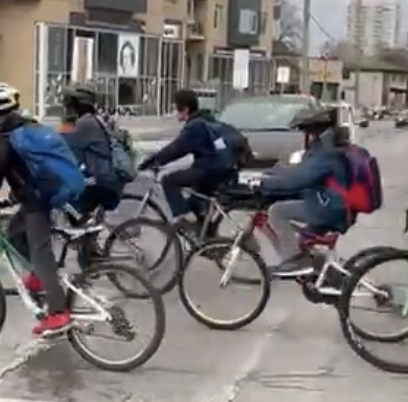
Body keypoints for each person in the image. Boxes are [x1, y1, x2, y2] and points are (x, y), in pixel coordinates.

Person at [0, 82, 72, 339]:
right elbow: (23, 168)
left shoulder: (2, 137)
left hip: (37, 200)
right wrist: (13, 197)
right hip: (42, 192)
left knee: (41, 253)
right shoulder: (25, 126)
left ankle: (58, 313)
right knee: (14, 233)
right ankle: (39, 278)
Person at [260, 107, 354, 278]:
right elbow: (300, 171)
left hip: (330, 207)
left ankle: (294, 261)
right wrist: (271, 173)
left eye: (305, 132)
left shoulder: (326, 152)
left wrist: (265, 183)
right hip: (331, 203)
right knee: (304, 241)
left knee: (277, 211)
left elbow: (300, 179)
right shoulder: (325, 147)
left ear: (313, 132)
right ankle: (329, 277)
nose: (304, 137)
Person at [137, 88, 239, 227]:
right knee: (195, 198)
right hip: (223, 169)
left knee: (169, 181)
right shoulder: (206, 120)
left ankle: (183, 219)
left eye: (176, 108)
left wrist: (153, 162)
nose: (175, 112)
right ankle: (204, 231)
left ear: (185, 109)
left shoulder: (195, 126)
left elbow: (176, 149)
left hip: (211, 170)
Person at [59, 84, 122, 215]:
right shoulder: (95, 119)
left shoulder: (85, 124)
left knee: (63, 196)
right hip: (108, 179)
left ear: (76, 105)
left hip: (101, 181)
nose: (66, 108)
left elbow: (66, 150)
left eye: (68, 104)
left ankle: (80, 222)